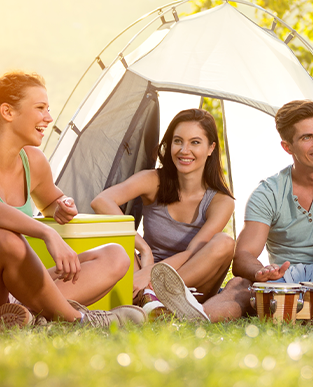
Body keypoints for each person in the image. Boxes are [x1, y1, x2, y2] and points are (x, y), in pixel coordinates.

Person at [154, 100, 313, 324]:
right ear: (287, 147)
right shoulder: (269, 192)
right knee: (239, 285)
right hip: (288, 283)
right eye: (307, 137)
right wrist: (260, 272)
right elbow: (242, 256)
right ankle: (193, 315)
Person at [0, 71, 145, 327]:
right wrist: (49, 234)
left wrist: (62, 205)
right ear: (8, 112)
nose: (48, 117)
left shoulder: (33, 161)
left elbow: (49, 201)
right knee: (6, 237)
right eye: (40, 108)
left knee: (116, 256)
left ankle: (17, 317)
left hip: (15, 288)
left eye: (48, 109)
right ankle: (80, 321)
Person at [91, 108, 236, 316]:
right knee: (114, 237)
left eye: (195, 142)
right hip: (140, 276)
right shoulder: (153, 180)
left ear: (211, 148)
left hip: (189, 285)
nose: (184, 150)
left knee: (225, 243)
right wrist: (144, 249)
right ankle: (147, 301)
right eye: (178, 141)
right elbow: (101, 201)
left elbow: (193, 251)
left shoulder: (221, 201)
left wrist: (151, 276)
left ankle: (158, 298)